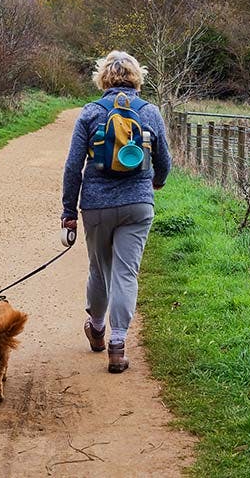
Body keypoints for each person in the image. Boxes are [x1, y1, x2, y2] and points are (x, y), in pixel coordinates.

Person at [61, 50, 171, 373]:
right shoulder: (150, 112)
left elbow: (72, 167)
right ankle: (118, 344)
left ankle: (96, 329)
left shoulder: (90, 112)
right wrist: (157, 182)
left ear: (103, 77)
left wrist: (69, 210)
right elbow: (164, 161)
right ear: (137, 77)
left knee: (99, 269)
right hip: (138, 204)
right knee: (126, 272)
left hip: (95, 204)